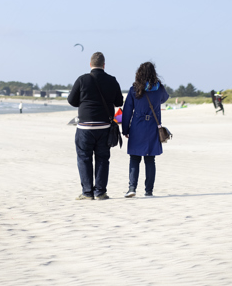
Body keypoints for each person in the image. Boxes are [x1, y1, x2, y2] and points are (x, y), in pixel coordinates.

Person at [67, 51, 123, 201]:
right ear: (104, 65)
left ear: (90, 64)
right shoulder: (112, 80)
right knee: (103, 158)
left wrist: (84, 101)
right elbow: (119, 102)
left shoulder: (82, 79)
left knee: (84, 158)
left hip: (85, 127)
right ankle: (100, 192)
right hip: (104, 127)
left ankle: (87, 193)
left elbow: (71, 101)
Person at [121, 62, 169, 198]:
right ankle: (149, 191)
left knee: (135, 158)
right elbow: (164, 98)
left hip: (137, 127)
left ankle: (132, 188)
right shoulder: (159, 88)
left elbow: (127, 111)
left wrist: (125, 129)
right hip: (153, 127)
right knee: (150, 160)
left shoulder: (134, 89)